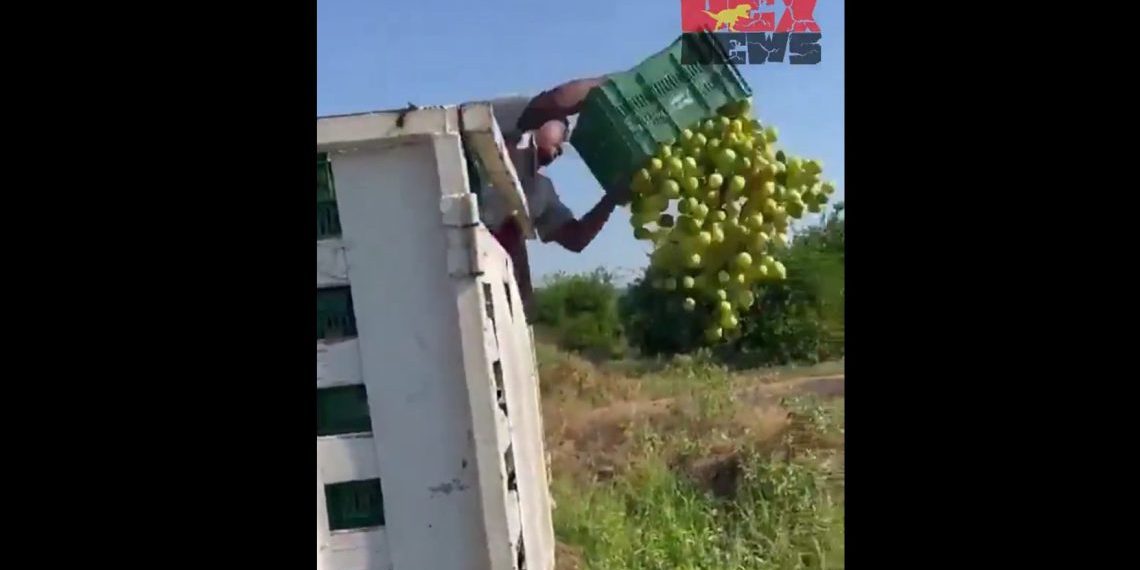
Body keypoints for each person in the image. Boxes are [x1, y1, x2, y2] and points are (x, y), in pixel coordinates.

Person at [477, 77, 630, 319]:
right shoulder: (497, 126)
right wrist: (617, 82)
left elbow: (575, 239)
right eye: (562, 131)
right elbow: (558, 99)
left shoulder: (541, 190)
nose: (561, 147)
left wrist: (610, 199)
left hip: (495, 292)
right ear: (539, 124)